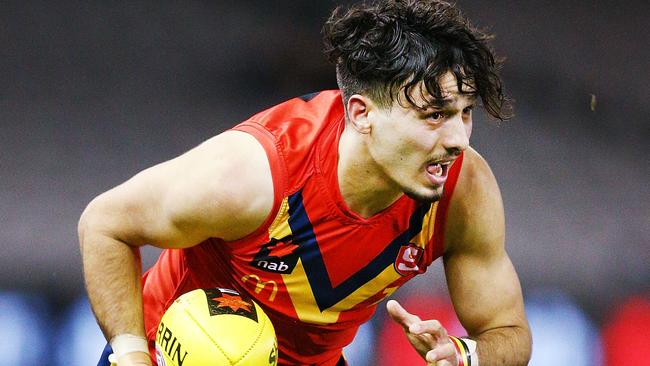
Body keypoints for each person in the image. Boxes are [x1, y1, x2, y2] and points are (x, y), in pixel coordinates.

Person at [79, 0, 532, 365]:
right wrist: (132, 353)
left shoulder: (464, 190)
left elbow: (507, 332)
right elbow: (104, 223)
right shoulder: (251, 174)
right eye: (434, 116)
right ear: (362, 114)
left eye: (464, 113)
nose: (457, 140)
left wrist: (465, 354)